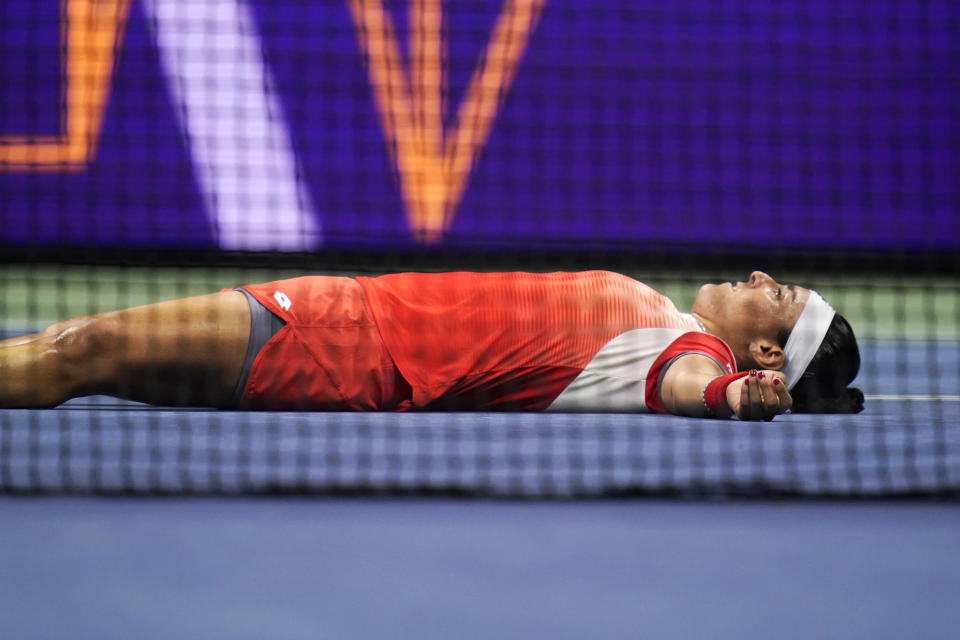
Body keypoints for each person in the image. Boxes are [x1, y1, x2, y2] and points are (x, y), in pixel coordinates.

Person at [0, 270, 862, 420]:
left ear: (765, 355)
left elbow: (693, 389)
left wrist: (738, 400)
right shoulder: (668, 328)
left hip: (337, 342)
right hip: (343, 325)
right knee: (71, 359)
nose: (756, 280)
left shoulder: (682, 355)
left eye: (773, 298)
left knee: (76, 354)